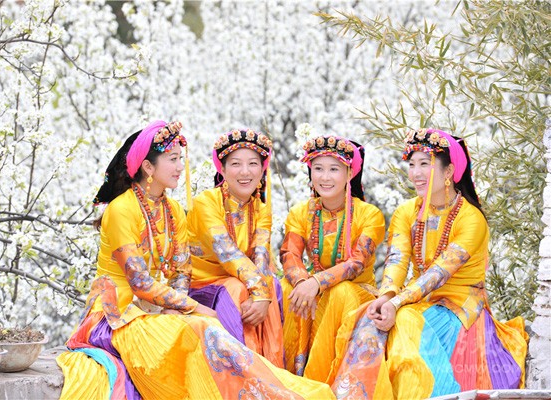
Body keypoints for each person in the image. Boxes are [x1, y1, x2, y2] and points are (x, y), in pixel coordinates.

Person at [56, 121, 334, 400]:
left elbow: (181, 271)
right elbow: (139, 282)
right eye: (173, 159)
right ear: (148, 167)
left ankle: (265, 390)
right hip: (115, 315)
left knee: (209, 326)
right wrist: (192, 307)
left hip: (156, 309)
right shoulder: (121, 210)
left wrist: (176, 307)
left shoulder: (173, 209)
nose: (180, 167)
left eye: (180, 159)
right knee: (203, 327)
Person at [331, 128, 528, 400]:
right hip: (416, 300)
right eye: (412, 164)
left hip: (459, 308)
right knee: (367, 316)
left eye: (425, 164)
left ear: (449, 172)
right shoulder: (406, 212)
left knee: (405, 320)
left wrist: (396, 304)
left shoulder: (471, 219)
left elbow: (438, 273)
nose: (416, 173)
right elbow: (397, 260)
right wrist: (387, 296)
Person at [279, 135, 385, 381]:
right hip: (314, 290)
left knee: (341, 292)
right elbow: (290, 254)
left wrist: (317, 282)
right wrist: (303, 283)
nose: (324, 177)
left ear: (349, 173)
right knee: (286, 288)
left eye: (334, 169)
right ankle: (286, 377)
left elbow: (356, 263)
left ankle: (321, 381)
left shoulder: (369, 215)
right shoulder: (300, 213)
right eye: (318, 169)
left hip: (355, 292)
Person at [187, 129, 285, 368]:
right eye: (236, 164)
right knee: (237, 287)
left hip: (242, 283)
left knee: (272, 284)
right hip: (201, 286)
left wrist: (262, 295)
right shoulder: (206, 203)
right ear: (222, 169)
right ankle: (241, 370)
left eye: (253, 164)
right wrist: (258, 293)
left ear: (262, 170)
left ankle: (272, 370)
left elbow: (261, 256)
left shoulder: (261, 209)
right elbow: (227, 252)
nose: (245, 172)